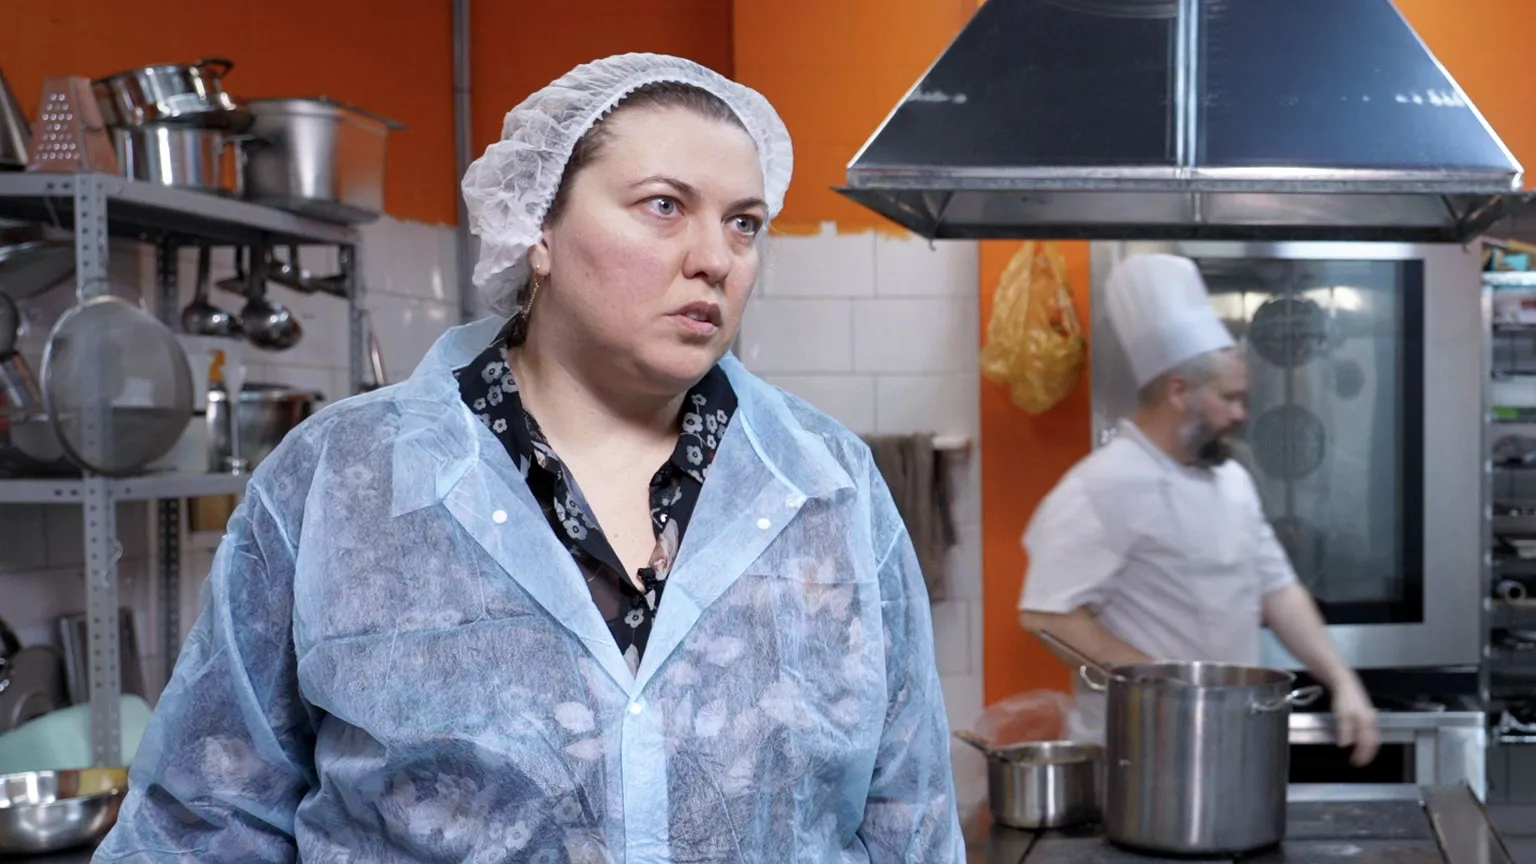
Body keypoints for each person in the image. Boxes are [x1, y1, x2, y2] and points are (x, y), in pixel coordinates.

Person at [93, 53, 963, 863]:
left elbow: (908, 821)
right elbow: (203, 820)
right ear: (538, 226)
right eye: (665, 206)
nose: (715, 260)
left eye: (744, 224)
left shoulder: (828, 487)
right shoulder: (341, 479)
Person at [1017, 253, 1381, 767]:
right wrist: (1162, 682)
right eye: (1228, 398)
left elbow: (1279, 590)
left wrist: (1342, 680)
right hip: (1140, 753)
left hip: (1232, 744)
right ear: (1178, 391)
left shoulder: (1231, 481)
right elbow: (1045, 616)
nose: (1240, 414)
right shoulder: (1101, 486)